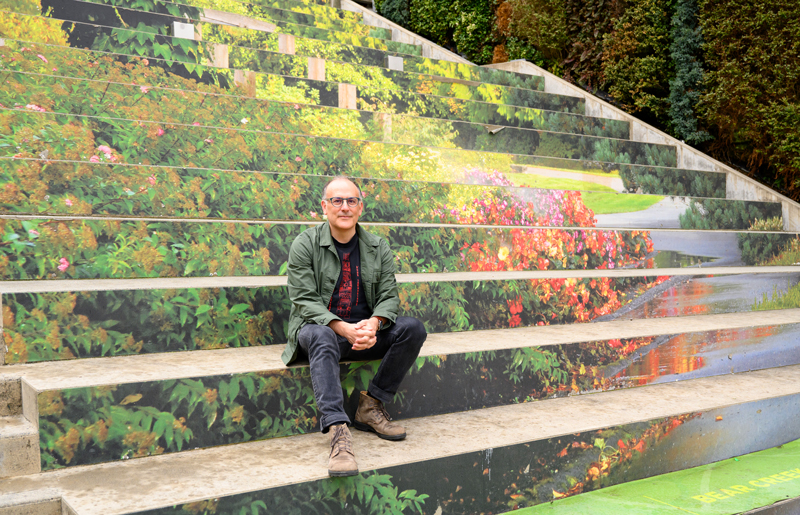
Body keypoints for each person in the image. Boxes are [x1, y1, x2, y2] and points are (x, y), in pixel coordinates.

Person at [282, 176, 427, 477]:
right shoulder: (305, 244)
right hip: (320, 332)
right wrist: (343, 328)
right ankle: (338, 430)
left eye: (351, 201)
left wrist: (373, 325)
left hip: (365, 333)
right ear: (324, 206)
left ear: (360, 207)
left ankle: (371, 406)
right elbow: (304, 299)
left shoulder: (377, 246)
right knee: (321, 334)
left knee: (412, 329)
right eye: (337, 201)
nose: (344, 207)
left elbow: (389, 296)